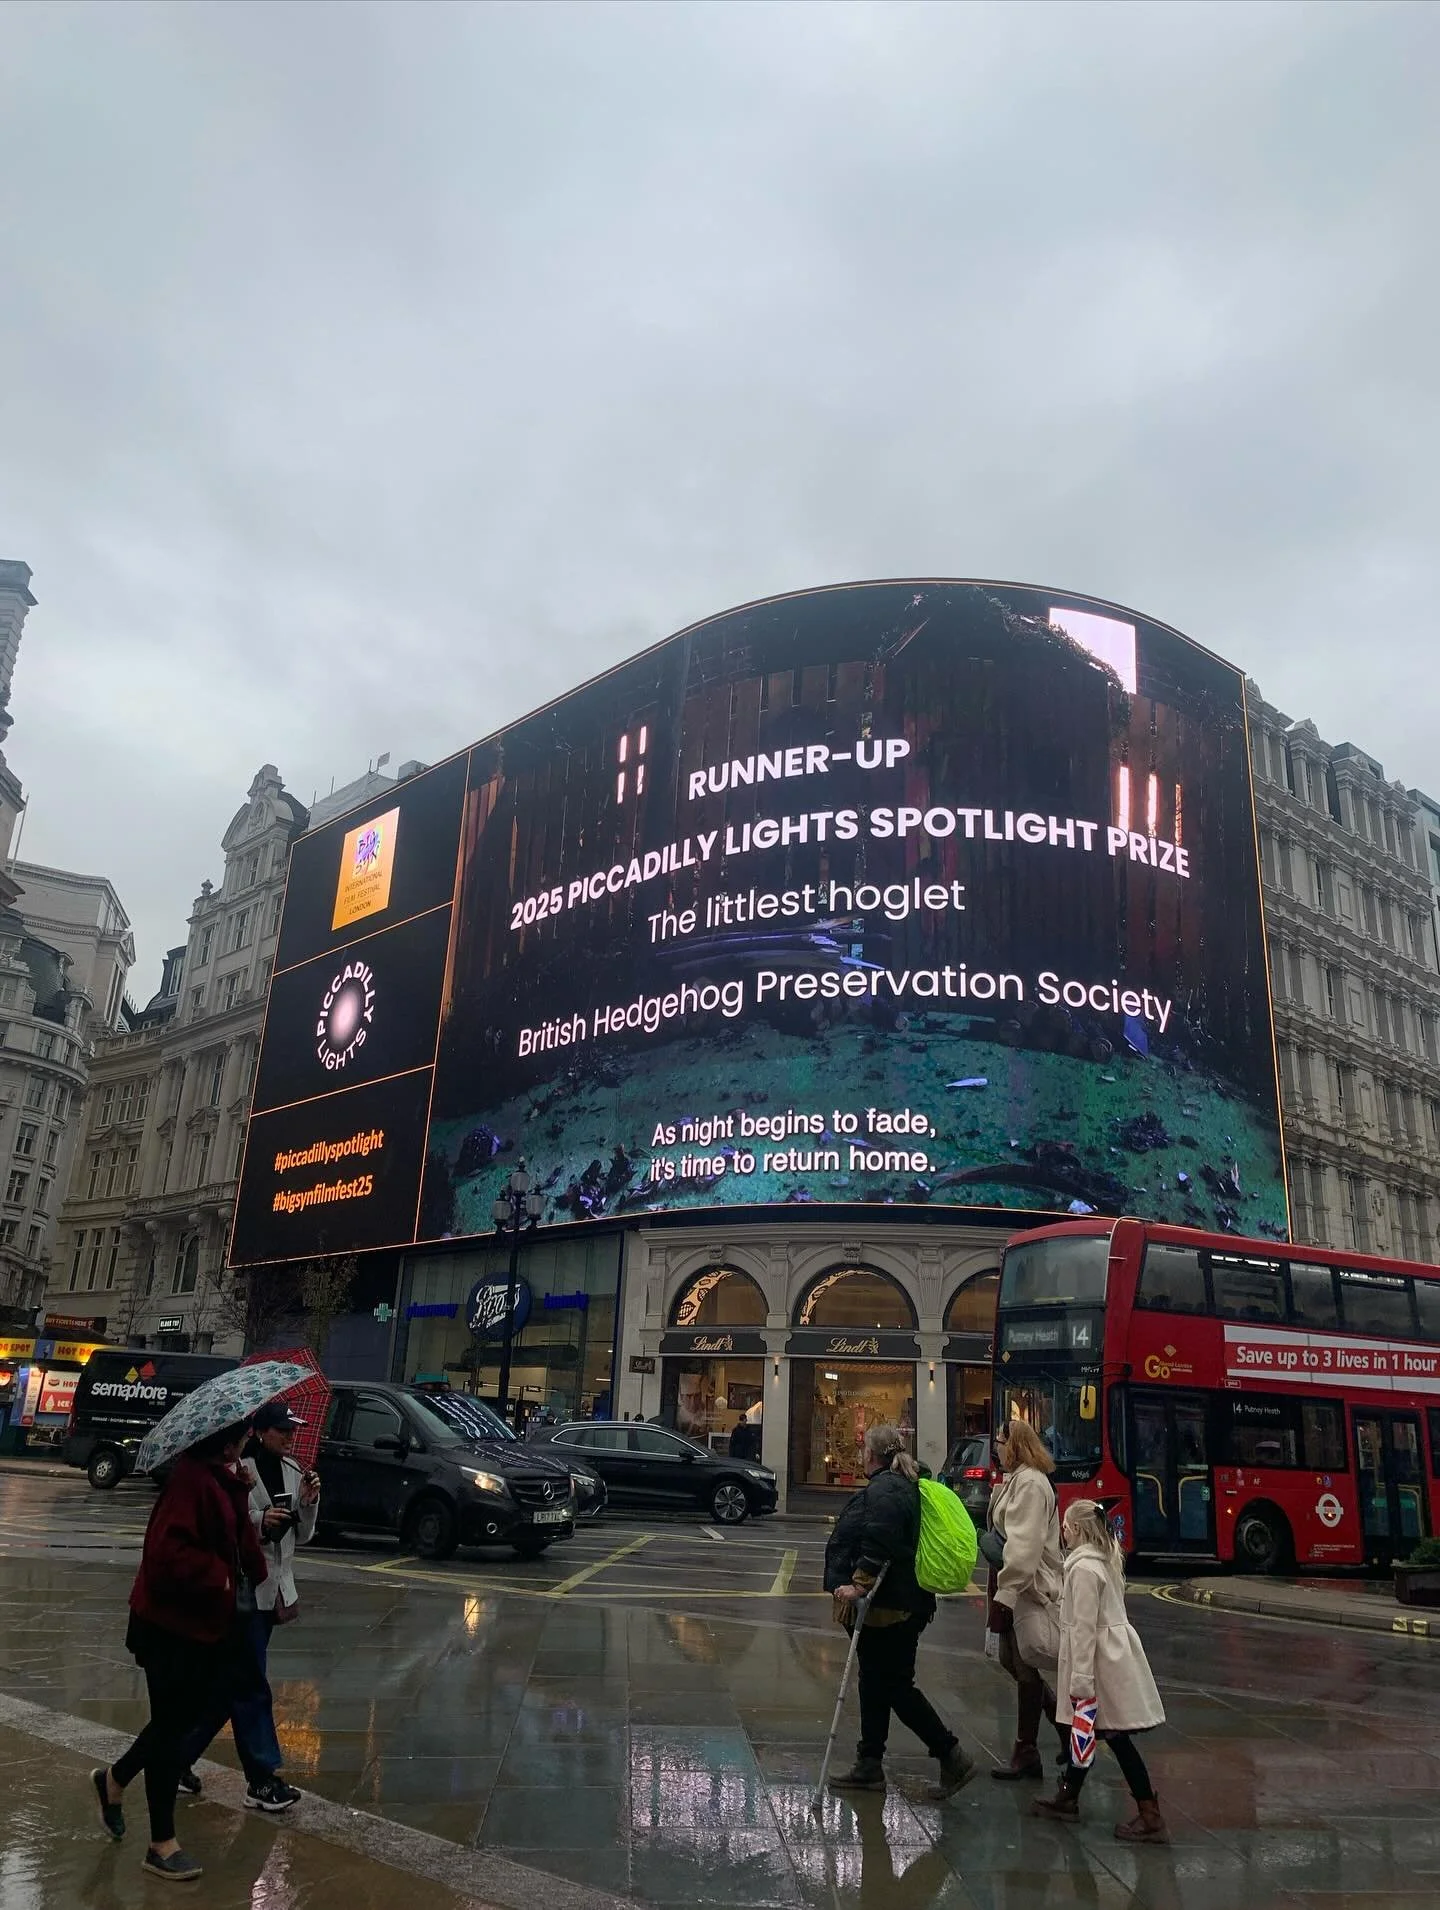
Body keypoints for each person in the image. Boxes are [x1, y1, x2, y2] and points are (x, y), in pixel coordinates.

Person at [91, 1419, 267, 1883]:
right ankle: (161, 1844)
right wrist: (224, 1579)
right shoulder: (189, 1481)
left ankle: (113, 1781)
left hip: (202, 1628)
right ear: (226, 1442)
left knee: (176, 1721)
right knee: (172, 1730)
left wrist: (241, 1493)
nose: (248, 1440)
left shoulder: (220, 1479)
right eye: (244, 1435)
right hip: (169, 1628)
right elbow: (167, 1555)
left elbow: (242, 1548)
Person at [177, 1400, 320, 1812]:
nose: (289, 1437)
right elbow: (230, 1525)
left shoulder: (295, 1472)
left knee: (228, 1687)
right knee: (251, 1683)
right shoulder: (240, 1470)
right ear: (259, 1431)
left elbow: (304, 1535)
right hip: (242, 1593)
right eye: (282, 1430)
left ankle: (175, 1757)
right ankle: (261, 1778)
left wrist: (308, 1502)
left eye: (292, 1430)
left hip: (275, 1590)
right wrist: (261, 1521)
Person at [824, 1423, 974, 1798]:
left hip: (889, 1607)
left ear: (871, 1455)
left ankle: (950, 1754)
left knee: (893, 1686)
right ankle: (870, 1763)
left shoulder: (887, 1488)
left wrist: (860, 1583)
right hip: (899, 1604)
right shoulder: (899, 1482)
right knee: (877, 1684)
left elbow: (881, 1535)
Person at [1032, 1498, 1168, 1842]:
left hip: (1098, 1665)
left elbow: (1084, 1630)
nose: (1062, 1533)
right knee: (1087, 1732)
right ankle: (1069, 1797)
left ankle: (1149, 1814)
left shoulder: (1083, 1569)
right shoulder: (1106, 1560)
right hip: (1111, 1659)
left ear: (1077, 1529)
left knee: (1114, 1737)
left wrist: (1081, 1683)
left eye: (1064, 1526)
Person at [986, 1417, 1066, 1780]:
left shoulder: (1031, 1485)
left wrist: (1006, 1595)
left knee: (1023, 1664)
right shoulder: (1018, 1480)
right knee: (1010, 1659)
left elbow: (1024, 1546)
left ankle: (1028, 1748)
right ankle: (1056, 1727)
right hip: (1014, 1584)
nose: (997, 1450)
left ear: (1015, 1444)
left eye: (1001, 1443)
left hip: (1027, 1588)